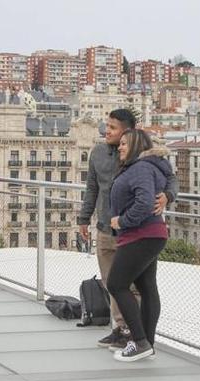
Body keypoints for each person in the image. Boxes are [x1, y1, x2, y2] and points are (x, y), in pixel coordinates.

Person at [77, 109, 177, 351]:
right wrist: (84, 218)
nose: (106, 131)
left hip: (135, 231)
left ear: (129, 132)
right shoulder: (98, 153)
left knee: (129, 285)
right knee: (112, 282)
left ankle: (137, 337)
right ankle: (122, 330)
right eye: (106, 127)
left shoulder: (142, 157)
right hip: (106, 229)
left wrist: (168, 196)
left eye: (112, 128)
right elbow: (91, 188)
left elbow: (169, 178)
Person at [107, 129, 171, 362]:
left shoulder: (140, 168)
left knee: (116, 284)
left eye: (124, 144)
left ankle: (140, 341)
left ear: (136, 146)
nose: (120, 147)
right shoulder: (142, 166)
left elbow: (144, 201)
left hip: (140, 234)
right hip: (149, 234)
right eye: (120, 144)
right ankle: (146, 344)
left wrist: (122, 221)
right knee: (146, 287)